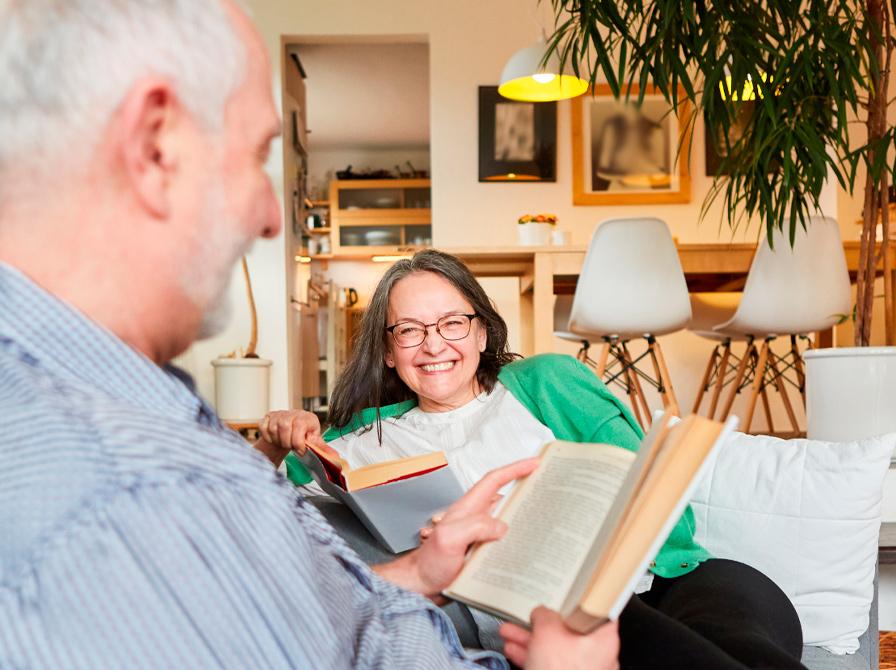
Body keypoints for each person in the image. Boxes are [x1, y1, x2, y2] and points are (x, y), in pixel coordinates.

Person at [0, 1, 619, 668]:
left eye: (450, 323)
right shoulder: (130, 494)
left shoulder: (104, 403)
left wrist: (415, 574)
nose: (272, 218)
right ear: (155, 147)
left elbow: (286, 620)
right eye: (258, 153)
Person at [261, 249, 807, 670]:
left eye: (452, 323)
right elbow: (252, 512)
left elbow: (662, 507)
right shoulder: (361, 438)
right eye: (409, 330)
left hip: (673, 584)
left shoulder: (545, 383)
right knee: (626, 633)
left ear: (480, 331)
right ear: (386, 349)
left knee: (744, 641)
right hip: (548, 622)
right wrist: (273, 441)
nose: (433, 345)